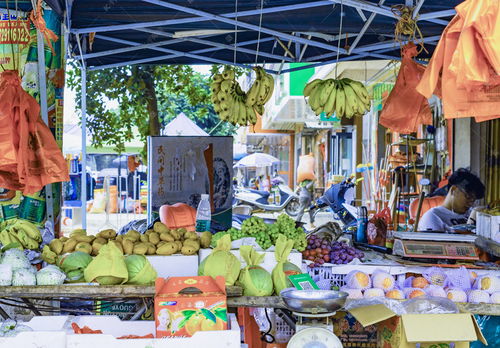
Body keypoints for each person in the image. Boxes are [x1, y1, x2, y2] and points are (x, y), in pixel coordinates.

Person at [418, 168, 485, 231]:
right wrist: (471, 222)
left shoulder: (471, 212)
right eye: (468, 197)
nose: (471, 203)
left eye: (473, 200)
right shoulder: (433, 217)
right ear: (454, 190)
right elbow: (438, 243)